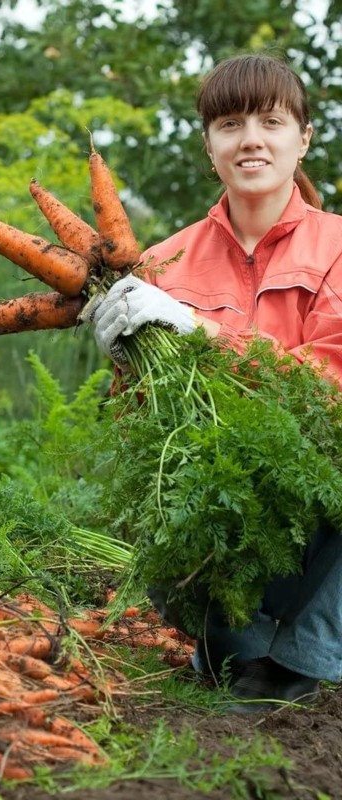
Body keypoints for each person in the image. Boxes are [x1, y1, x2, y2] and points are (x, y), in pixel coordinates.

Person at [90, 52, 342, 713]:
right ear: (209, 145)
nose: (250, 139)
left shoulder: (339, 249)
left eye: (271, 122)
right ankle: (236, 646)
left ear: (303, 138)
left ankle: (306, 654)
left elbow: (330, 386)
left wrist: (202, 332)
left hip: (320, 524)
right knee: (167, 493)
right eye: (230, 124)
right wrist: (126, 364)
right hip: (215, 527)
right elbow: (142, 438)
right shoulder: (160, 266)